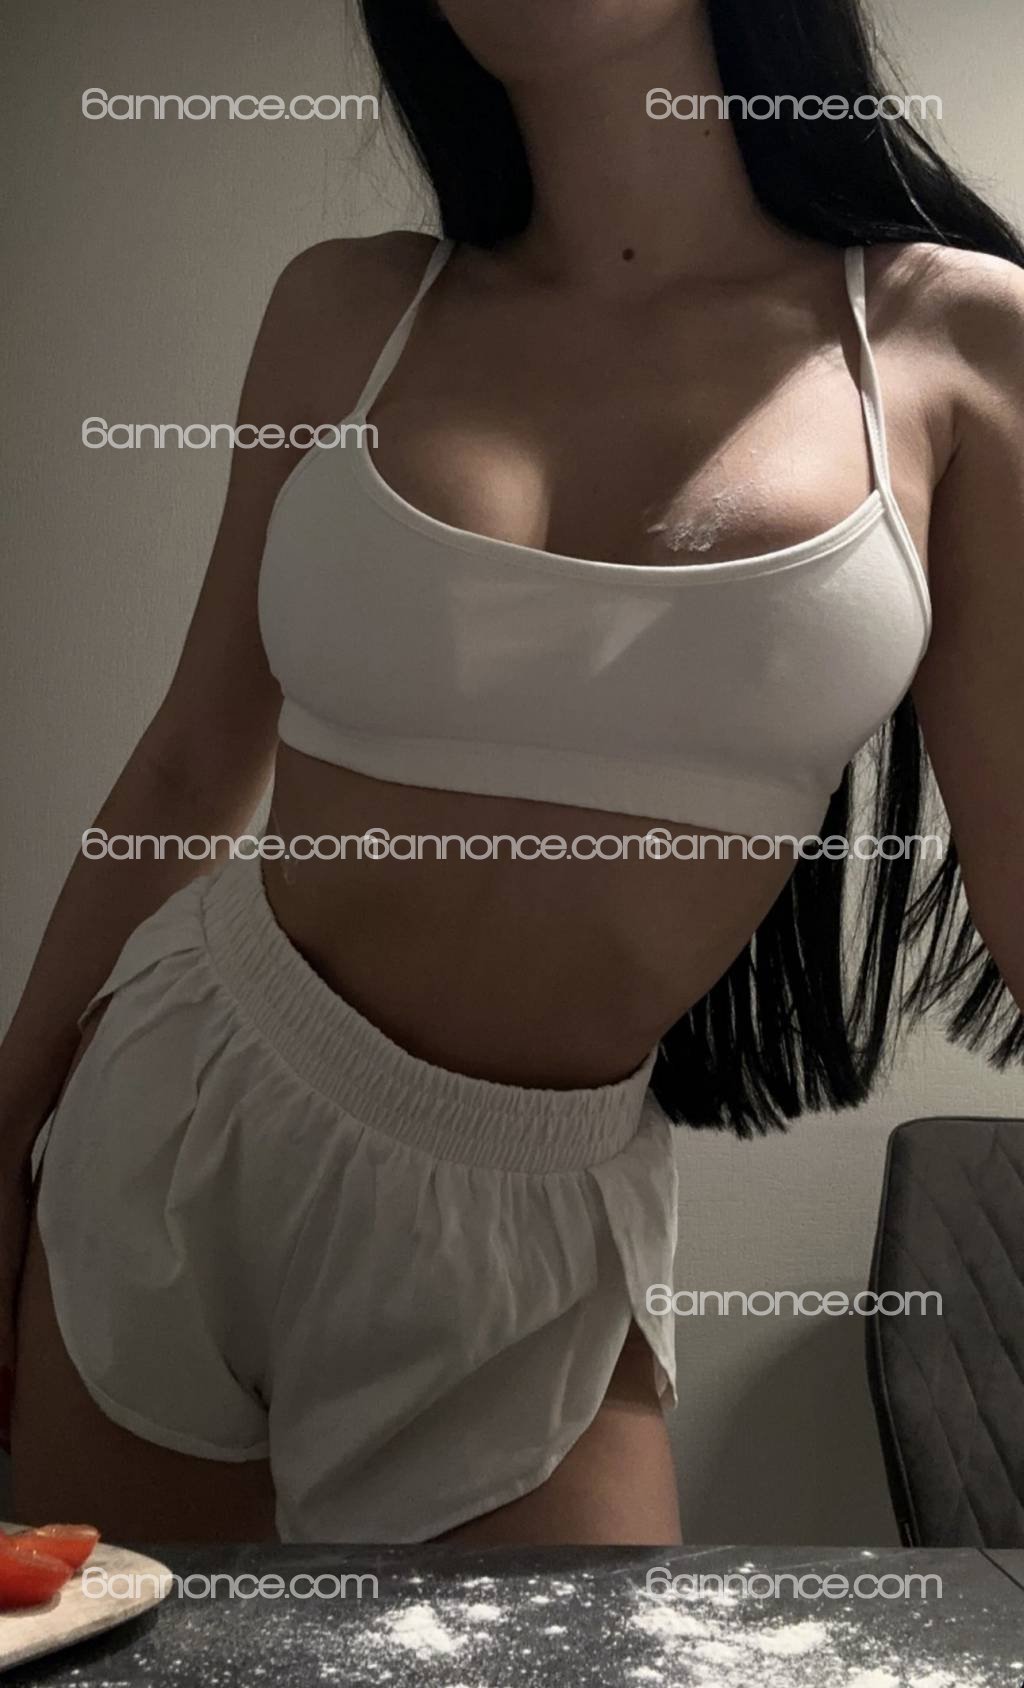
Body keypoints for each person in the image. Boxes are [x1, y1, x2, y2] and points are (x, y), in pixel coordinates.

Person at [2, 0, 1022, 1543]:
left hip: (538, 1217)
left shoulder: (956, 340)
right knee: (132, 1652)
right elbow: (191, 758)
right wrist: (3, 1124)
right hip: (176, 1120)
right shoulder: (351, 308)